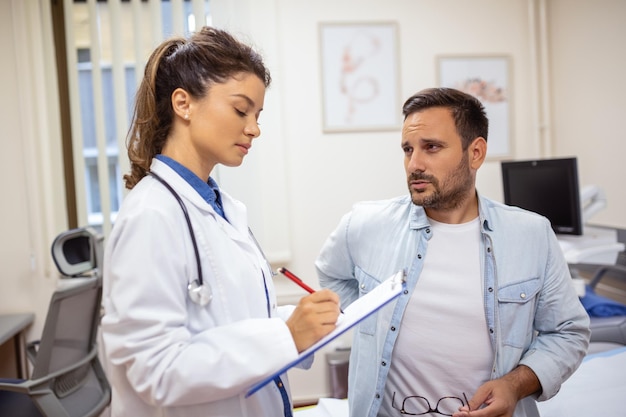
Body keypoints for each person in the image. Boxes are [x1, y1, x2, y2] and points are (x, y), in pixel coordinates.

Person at [100, 26, 341, 417]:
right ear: (184, 104)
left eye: (258, 115)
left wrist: (301, 325)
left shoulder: (220, 206)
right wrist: (285, 336)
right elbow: (156, 371)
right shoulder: (151, 217)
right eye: (240, 109)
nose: (254, 129)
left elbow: (233, 321)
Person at [315, 87, 590, 417]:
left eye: (431, 147)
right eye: (407, 149)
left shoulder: (531, 235)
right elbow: (331, 274)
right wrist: (369, 319)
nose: (414, 164)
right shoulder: (364, 225)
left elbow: (568, 333)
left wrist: (515, 385)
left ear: (475, 153)